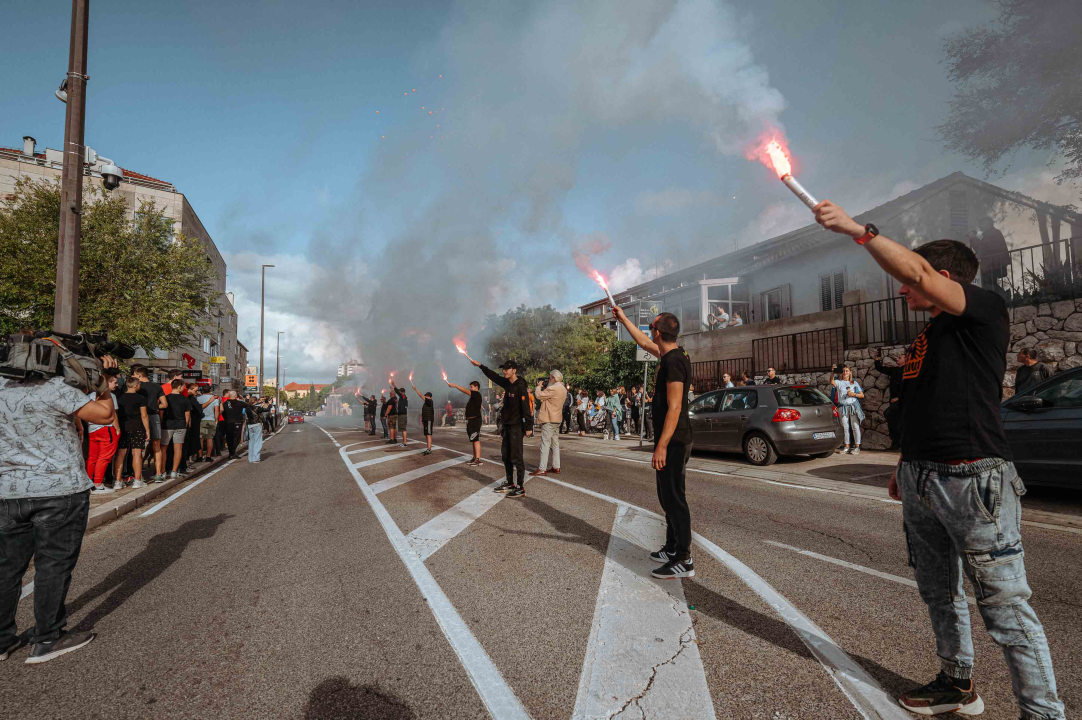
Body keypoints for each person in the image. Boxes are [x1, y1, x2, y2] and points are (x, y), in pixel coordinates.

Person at [815, 199, 1065, 719]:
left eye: (910, 280)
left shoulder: (984, 309)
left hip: (972, 477)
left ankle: (1043, 713)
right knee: (938, 592)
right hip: (922, 476)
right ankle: (957, 684)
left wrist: (859, 232)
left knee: (1006, 609)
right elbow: (927, 402)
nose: (902, 289)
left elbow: (917, 271)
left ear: (941, 277)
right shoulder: (930, 335)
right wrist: (905, 465)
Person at [0, 351, 119, 664]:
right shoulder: (54, 388)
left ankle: (1, 640)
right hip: (59, 490)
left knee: (7, 568)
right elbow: (105, 415)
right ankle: (48, 638)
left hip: (8, 490)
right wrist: (102, 383)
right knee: (52, 565)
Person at [613, 306, 695, 580]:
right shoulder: (673, 352)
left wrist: (661, 445)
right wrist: (623, 319)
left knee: (675, 498)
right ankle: (672, 547)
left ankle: (684, 558)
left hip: (674, 440)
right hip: (673, 438)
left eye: (651, 326)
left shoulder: (673, 361)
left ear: (658, 332)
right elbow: (643, 342)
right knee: (666, 496)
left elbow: (674, 407)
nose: (650, 331)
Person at [471, 358, 533, 498]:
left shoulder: (520, 386)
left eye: (506, 369)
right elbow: (493, 376)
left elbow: (526, 408)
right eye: (503, 368)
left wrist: (528, 427)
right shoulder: (507, 383)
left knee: (517, 457)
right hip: (507, 426)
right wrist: (480, 365)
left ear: (514, 370)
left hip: (517, 426)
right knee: (506, 456)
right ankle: (510, 482)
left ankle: (520, 487)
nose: (504, 371)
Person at [85, 369, 121, 494]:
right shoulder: (110, 396)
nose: (116, 385)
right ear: (107, 382)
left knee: (92, 457)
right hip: (106, 428)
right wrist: (117, 429)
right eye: (114, 382)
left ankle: (89, 483)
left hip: (92, 429)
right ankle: (98, 483)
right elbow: (113, 415)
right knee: (104, 458)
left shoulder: (90, 395)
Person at [114, 375, 150, 490]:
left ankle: (118, 481)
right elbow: (144, 415)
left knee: (120, 454)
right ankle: (137, 480)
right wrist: (148, 430)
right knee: (137, 454)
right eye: (139, 384)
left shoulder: (119, 398)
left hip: (123, 427)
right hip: (137, 427)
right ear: (135, 385)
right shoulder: (141, 398)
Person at [132, 365, 166, 481]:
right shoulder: (157, 387)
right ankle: (158, 474)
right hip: (154, 416)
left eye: (134, 374)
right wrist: (154, 406)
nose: (133, 376)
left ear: (139, 375)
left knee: (138, 447)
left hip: (139, 417)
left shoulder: (136, 387)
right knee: (157, 446)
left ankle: (139, 475)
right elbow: (165, 404)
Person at [531, 370, 567, 476]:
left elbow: (539, 395)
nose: (548, 379)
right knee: (555, 444)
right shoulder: (563, 389)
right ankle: (556, 467)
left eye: (550, 377)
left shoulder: (553, 388)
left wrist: (538, 386)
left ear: (554, 378)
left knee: (545, 444)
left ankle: (542, 468)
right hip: (557, 418)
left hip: (549, 419)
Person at [874, 348, 907, 450]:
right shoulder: (895, 370)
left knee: (890, 415)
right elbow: (879, 368)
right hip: (894, 402)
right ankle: (896, 443)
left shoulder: (908, 371)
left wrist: (898, 398)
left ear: (906, 360)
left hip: (902, 401)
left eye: (900, 357)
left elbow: (908, 387)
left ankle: (901, 443)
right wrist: (877, 357)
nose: (897, 358)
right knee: (893, 421)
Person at [447, 379, 484, 465]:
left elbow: (465, 390)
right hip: (471, 420)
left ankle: (478, 459)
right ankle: (475, 457)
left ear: (476, 387)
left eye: (471, 387)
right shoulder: (474, 397)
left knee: (476, 439)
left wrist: (455, 385)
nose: (470, 388)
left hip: (475, 420)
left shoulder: (476, 394)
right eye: (470, 387)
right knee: (473, 439)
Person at [160, 379, 191, 479]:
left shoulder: (166, 398)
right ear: (179, 387)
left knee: (163, 448)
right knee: (178, 448)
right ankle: (174, 471)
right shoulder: (185, 399)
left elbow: (161, 412)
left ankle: (163, 470)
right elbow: (187, 414)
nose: (183, 388)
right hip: (180, 424)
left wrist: (161, 422)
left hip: (167, 424)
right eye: (183, 386)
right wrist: (185, 424)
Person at [831, 366, 865, 454]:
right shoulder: (839, 382)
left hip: (853, 406)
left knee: (855, 426)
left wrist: (854, 394)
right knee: (845, 427)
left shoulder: (854, 383)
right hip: (842, 406)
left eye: (847, 371)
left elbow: (862, 395)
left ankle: (857, 446)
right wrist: (832, 372)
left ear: (850, 372)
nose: (845, 373)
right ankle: (847, 446)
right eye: (843, 371)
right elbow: (831, 382)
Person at [410, 379, 435, 455]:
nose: (425, 397)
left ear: (429, 397)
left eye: (426, 396)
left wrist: (415, 389)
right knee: (427, 435)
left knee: (428, 434)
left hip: (429, 420)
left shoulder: (429, 401)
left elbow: (420, 395)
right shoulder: (427, 402)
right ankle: (428, 448)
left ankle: (429, 449)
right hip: (426, 420)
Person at [221, 390, 247, 459]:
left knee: (229, 438)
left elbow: (223, 413)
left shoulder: (225, 403)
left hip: (228, 422)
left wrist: (226, 419)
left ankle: (231, 453)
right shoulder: (240, 403)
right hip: (237, 421)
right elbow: (248, 406)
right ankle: (232, 453)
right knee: (237, 438)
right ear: (235, 396)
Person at [196, 387, 220, 462]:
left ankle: (199, 456)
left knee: (200, 439)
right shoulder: (215, 399)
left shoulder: (198, 398)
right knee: (210, 438)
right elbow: (216, 411)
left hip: (201, 420)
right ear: (210, 390)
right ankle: (208, 456)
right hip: (211, 419)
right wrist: (216, 420)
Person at [246, 397, 263, 463]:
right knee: (257, 441)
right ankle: (256, 458)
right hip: (257, 424)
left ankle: (251, 458)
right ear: (255, 401)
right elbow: (266, 409)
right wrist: (269, 404)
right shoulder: (257, 408)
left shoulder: (247, 408)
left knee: (251, 442)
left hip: (250, 425)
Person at [392, 382, 409, 447]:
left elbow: (398, 392)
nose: (399, 393)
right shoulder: (403, 398)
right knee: (402, 429)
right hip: (402, 415)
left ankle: (405, 443)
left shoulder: (403, 396)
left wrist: (394, 385)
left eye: (400, 392)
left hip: (402, 415)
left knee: (403, 429)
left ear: (403, 392)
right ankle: (404, 442)